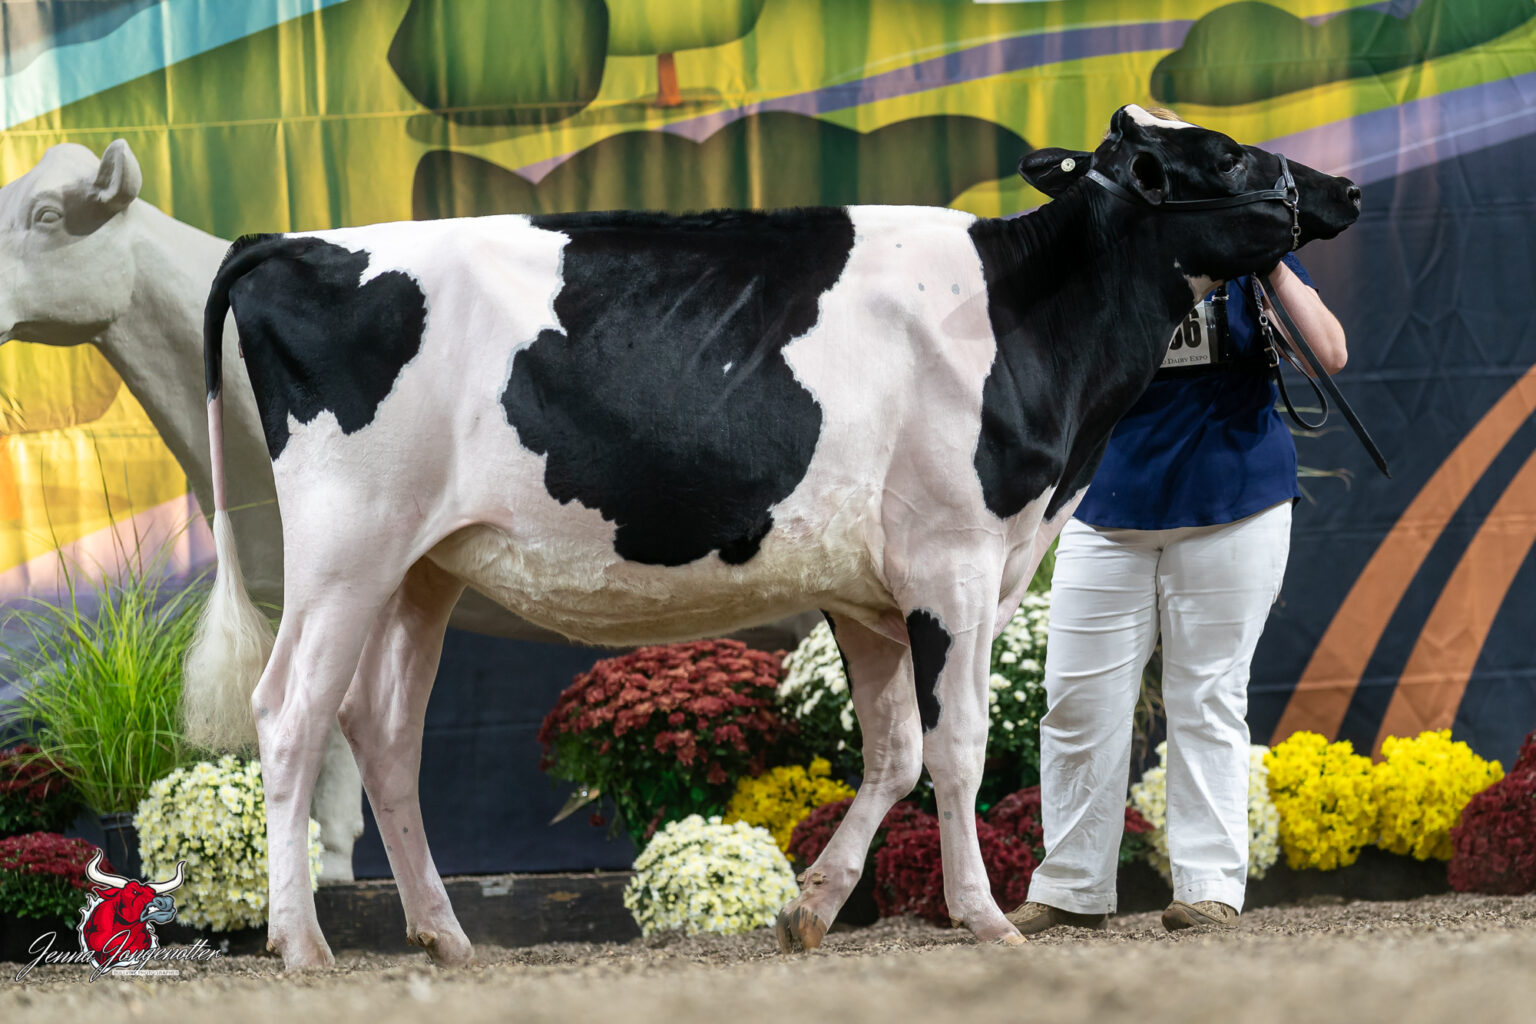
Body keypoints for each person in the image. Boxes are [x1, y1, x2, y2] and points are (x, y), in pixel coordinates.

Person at [1008, 109, 1349, 934]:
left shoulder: (1241, 249)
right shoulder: (1102, 256)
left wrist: (1269, 258)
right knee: (1076, 702)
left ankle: (1209, 887)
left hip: (1233, 501)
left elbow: (1330, 354)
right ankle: (1071, 887)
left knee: (1208, 696)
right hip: (1106, 502)